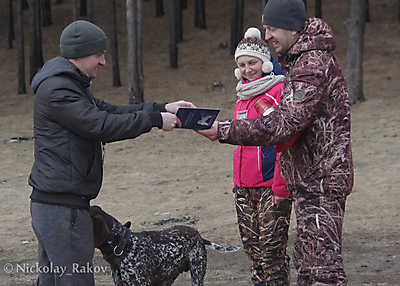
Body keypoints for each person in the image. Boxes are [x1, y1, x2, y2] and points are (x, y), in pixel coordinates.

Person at [197, 0, 354, 285]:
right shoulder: (301, 62)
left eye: (271, 28)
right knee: (310, 268)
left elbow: (283, 124)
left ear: (291, 28)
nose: (267, 35)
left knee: (321, 273)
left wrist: (222, 131)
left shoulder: (312, 66)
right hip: (308, 181)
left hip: (320, 183)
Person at [29, 20, 193, 286]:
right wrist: (154, 120)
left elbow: (109, 111)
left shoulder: (70, 85)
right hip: (62, 211)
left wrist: (163, 108)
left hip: (58, 206)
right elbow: (99, 125)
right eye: (99, 55)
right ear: (80, 54)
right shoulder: (58, 90)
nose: (103, 62)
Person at [230, 27, 292, 286]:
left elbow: (284, 141)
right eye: (242, 65)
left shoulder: (277, 92)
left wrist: (280, 184)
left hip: (270, 185)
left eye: (252, 63)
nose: (247, 69)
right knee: (252, 249)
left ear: (265, 63)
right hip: (243, 187)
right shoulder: (241, 98)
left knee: (272, 253)